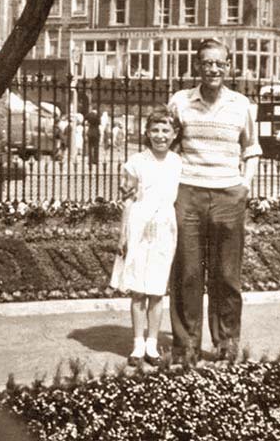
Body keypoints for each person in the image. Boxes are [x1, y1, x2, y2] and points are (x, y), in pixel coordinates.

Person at [168, 38, 262, 364]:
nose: (213, 69)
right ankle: (186, 346)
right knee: (187, 273)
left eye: (220, 63)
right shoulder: (180, 101)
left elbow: (252, 150)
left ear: (228, 67)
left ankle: (226, 343)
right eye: (207, 63)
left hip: (228, 195)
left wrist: (244, 186)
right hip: (189, 193)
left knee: (226, 276)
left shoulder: (242, 105)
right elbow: (166, 146)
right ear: (198, 66)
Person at [110, 105, 182, 366]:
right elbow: (127, 201)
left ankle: (153, 344)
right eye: (155, 130)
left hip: (165, 227)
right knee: (139, 290)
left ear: (174, 134)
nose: (160, 135)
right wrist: (123, 235)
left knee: (157, 289)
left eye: (166, 130)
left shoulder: (178, 162)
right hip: (139, 227)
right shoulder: (136, 162)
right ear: (147, 132)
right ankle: (138, 345)